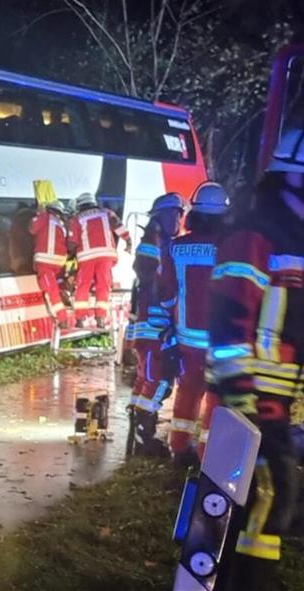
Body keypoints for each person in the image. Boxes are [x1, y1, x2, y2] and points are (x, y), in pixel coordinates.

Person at [207, 128, 304, 588]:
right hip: (248, 400)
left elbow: (301, 326)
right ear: (297, 178)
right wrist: (243, 405)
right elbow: (227, 328)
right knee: (244, 501)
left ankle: (247, 582)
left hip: (275, 403)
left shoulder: (302, 240)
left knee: (269, 501)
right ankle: (223, 582)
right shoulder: (253, 237)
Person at [159, 181, 230, 466]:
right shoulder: (229, 248)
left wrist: (172, 314)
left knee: (188, 390)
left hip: (187, 337)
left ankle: (178, 447)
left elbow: (165, 292)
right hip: (220, 339)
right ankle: (207, 455)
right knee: (215, 397)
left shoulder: (177, 247)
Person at [127, 192, 186, 458]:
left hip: (150, 324)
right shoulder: (155, 243)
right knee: (160, 379)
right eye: (176, 213)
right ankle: (143, 436)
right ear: (163, 216)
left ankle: (139, 434)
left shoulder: (157, 241)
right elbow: (157, 280)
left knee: (146, 380)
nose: (179, 219)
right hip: (155, 326)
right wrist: (173, 303)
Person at [66, 192, 132, 329]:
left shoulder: (76, 219)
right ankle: (101, 318)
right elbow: (120, 227)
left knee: (82, 286)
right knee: (104, 285)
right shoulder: (106, 213)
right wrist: (128, 242)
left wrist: (68, 256)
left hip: (86, 257)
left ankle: (80, 319)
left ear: (79, 205)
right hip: (106, 256)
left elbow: (72, 243)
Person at [29, 199, 72, 329]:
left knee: (50, 290)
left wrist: (38, 215)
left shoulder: (45, 217)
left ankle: (62, 318)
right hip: (59, 262)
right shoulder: (61, 225)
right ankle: (64, 292)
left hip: (45, 261)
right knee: (56, 285)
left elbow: (32, 229)